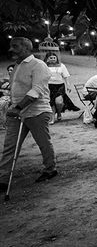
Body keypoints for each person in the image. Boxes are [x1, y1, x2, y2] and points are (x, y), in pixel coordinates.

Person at [0, 37, 57, 190]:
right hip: (15, 112)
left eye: (15, 46)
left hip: (36, 111)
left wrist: (18, 107)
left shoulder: (38, 65)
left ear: (26, 48)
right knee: (10, 146)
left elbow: (36, 90)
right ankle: (4, 178)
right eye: (11, 46)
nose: (10, 49)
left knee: (43, 142)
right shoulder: (17, 65)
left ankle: (50, 169)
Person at [45, 52, 78, 124]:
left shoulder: (61, 66)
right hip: (49, 86)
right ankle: (52, 118)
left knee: (58, 102)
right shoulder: (44, 66)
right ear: (47, 59)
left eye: (54, 58)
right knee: (51, 103)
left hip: (59, 85)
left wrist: (68, 85)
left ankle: (59, 112)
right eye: (51, 58)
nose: (53, 59)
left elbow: (66, 76)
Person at [0, 64, 15, 129]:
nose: (9, 71)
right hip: (4, 98)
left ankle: (4, 124)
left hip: (13, 98)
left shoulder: (18, 80)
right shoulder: (4, 80)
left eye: (11, 70)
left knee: (4, 104)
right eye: (9, 70)